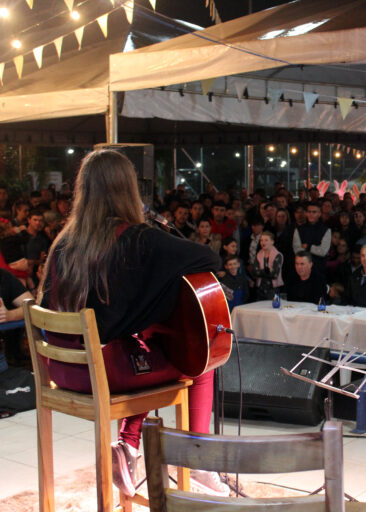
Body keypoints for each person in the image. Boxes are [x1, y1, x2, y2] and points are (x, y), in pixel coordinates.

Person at [38, 150, 229, 497]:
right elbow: (209, 257)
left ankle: (129, 447)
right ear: (128, 190)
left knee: (142, 345)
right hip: (103, 372)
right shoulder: (138, 239)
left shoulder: (64, 243)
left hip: (61, 370)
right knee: (200, 361)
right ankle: (197, 461)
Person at [293, 202, 331, 271]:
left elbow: (323, 251)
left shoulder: (326, 230)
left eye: (314, 212)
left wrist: (308, 247)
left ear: (319, 214)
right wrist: (314, 249)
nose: (311, 214)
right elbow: (297, 250)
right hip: (302, 268)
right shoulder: (299, 229)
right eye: (309, 212)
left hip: (319, 267)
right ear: (306, 213)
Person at [251, 231, 284, 301]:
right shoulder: (259, 254)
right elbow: (254, 272)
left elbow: (274, 274)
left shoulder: (278, 255)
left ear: (272, 242)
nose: (263, 242)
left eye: (266, 240)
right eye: (261, 240)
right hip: (260, 288)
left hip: (273, 289)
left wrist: (261, 271)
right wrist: (267, 270)